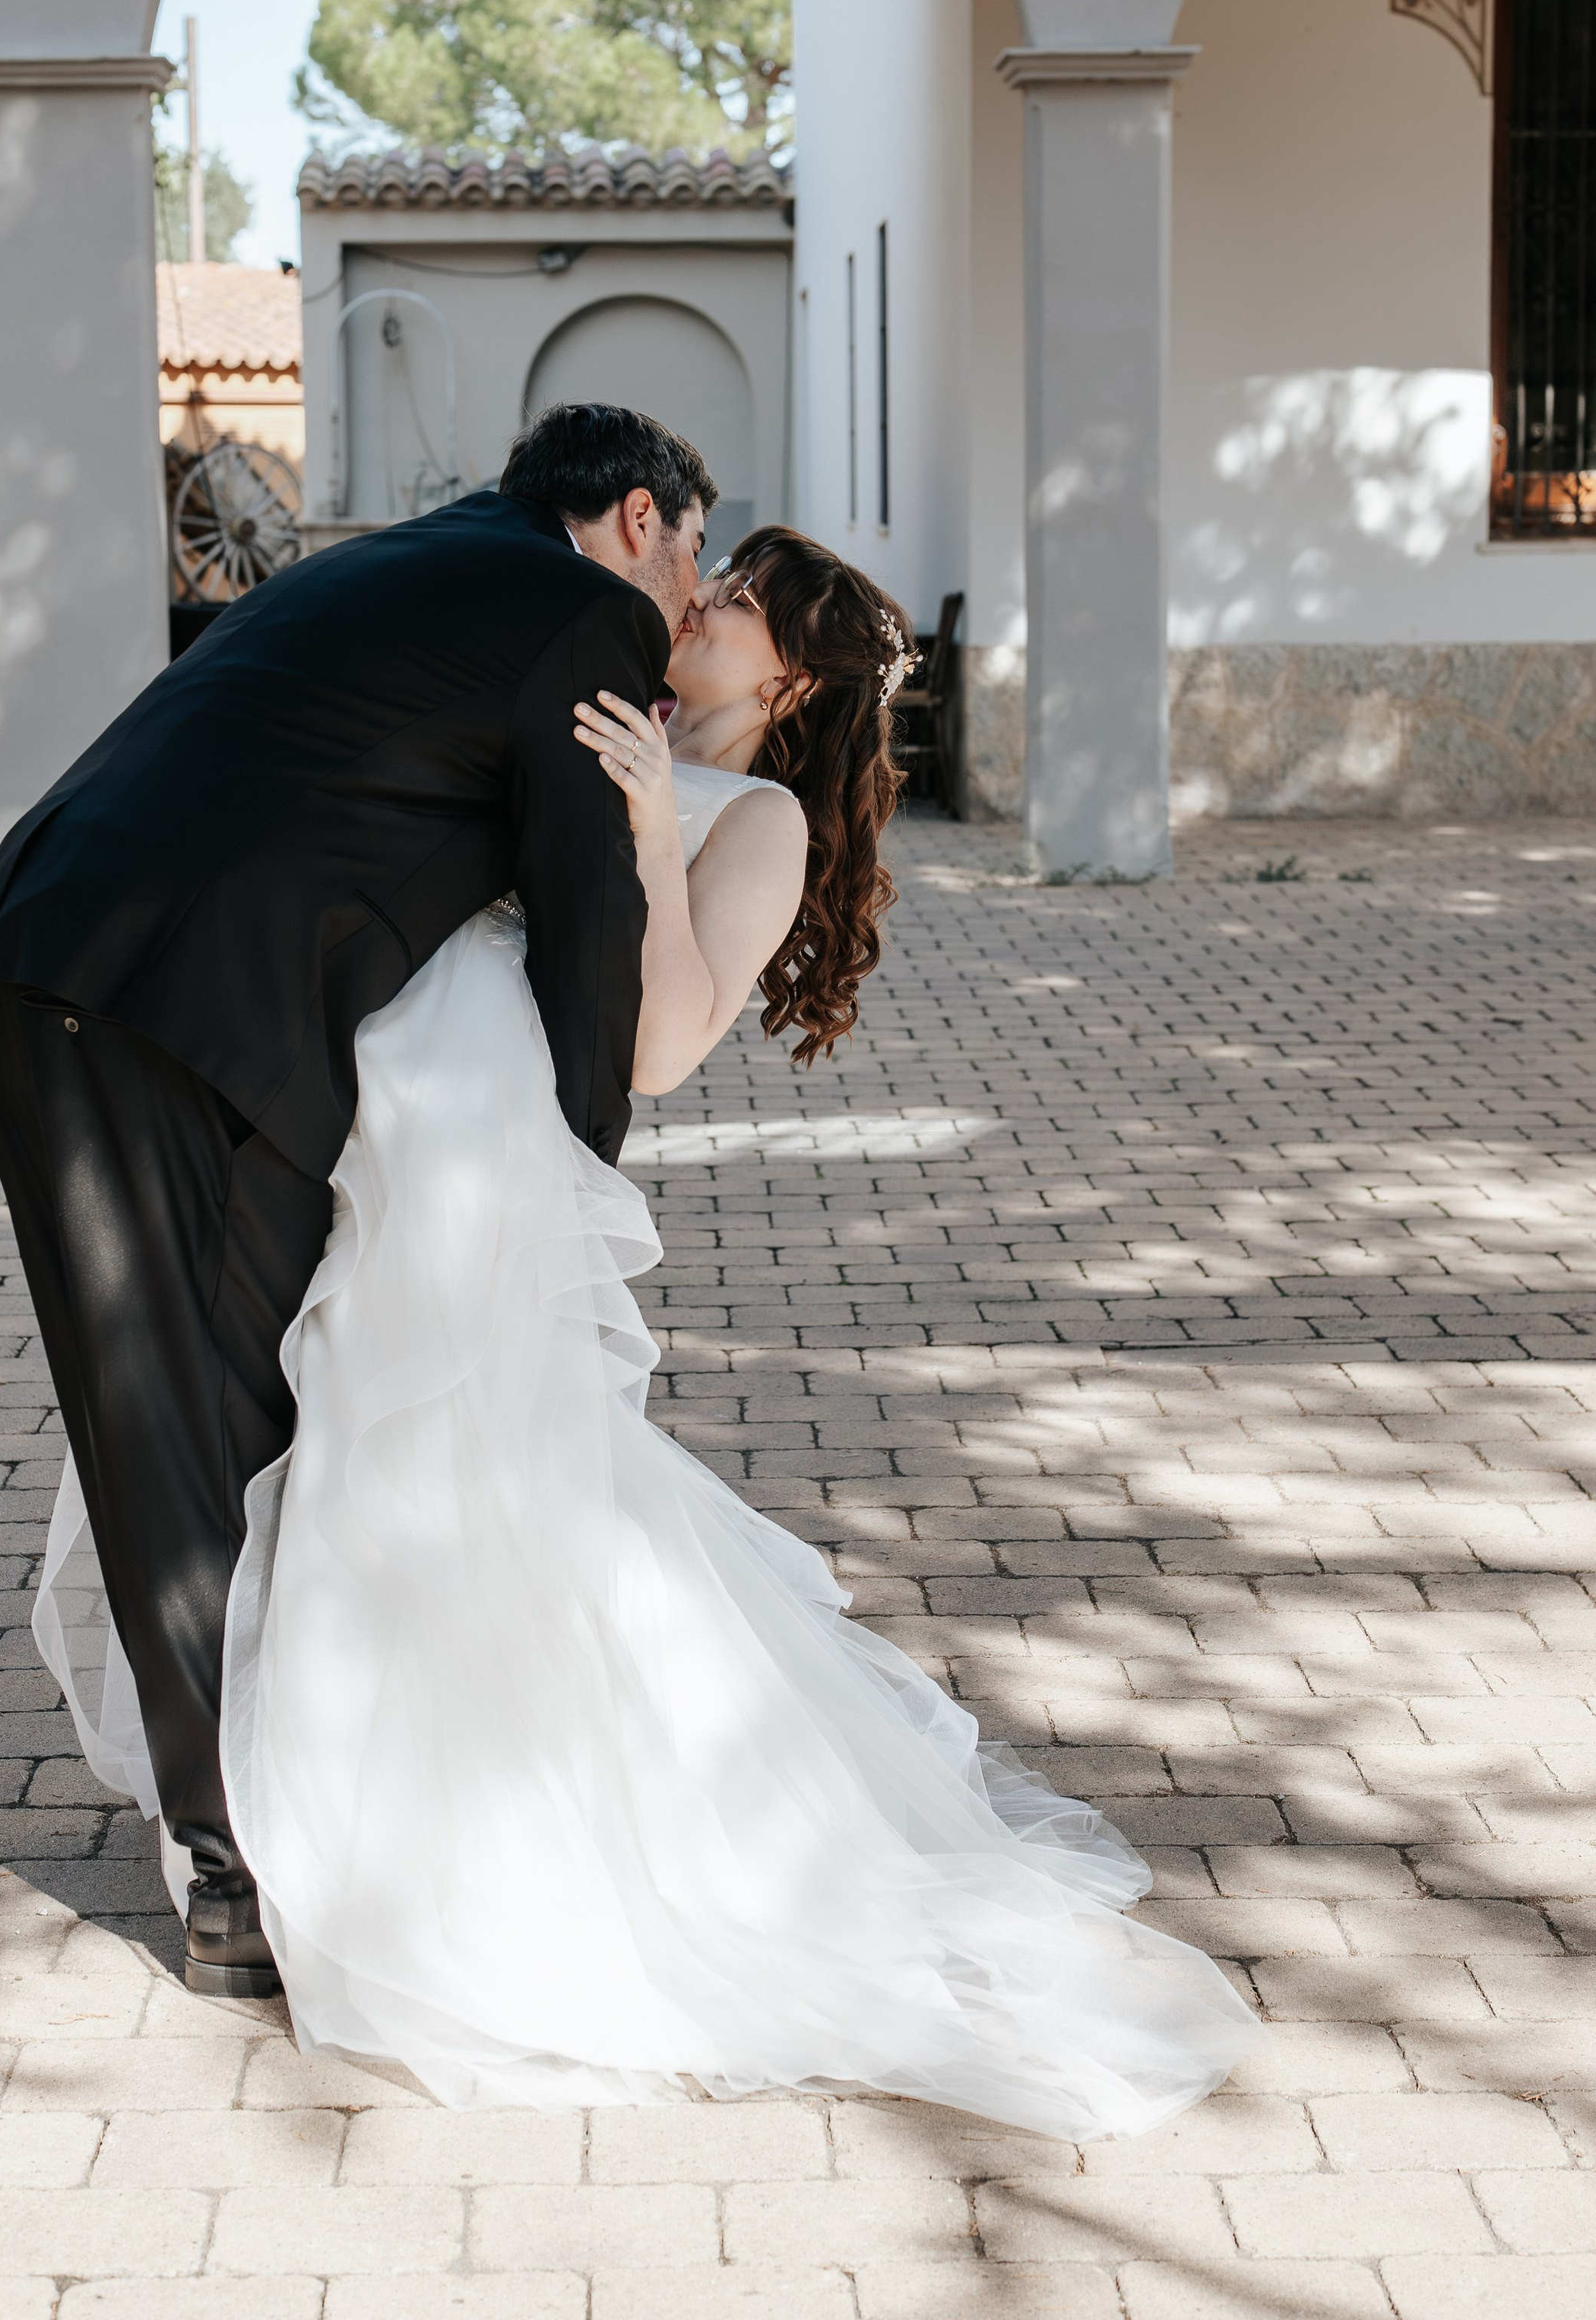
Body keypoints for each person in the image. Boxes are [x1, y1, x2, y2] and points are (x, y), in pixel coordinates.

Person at [207, 521, 1263, 2131]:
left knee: (440, 1458)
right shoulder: (603, 693)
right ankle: (387, 1824)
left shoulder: (752, 817)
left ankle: (456, 1855)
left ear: (786, 678)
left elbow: (665, 1047)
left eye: (737, 605)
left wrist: (641, 825)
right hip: (404, 1092)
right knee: (376, 1433)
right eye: (710, 583)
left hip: (487, 1157)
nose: (696, 607)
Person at [0, 404, 711, 1997]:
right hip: (162, 1004)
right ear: (635, 517)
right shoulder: (590, 614)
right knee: (195, 1422)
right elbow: (585, 923)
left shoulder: (423, 557)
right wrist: (565, 1188)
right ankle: (235, 1874)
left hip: (67, 956)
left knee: (206, 1406)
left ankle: (282, 1815)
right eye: (693, 549)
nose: (690, 597)